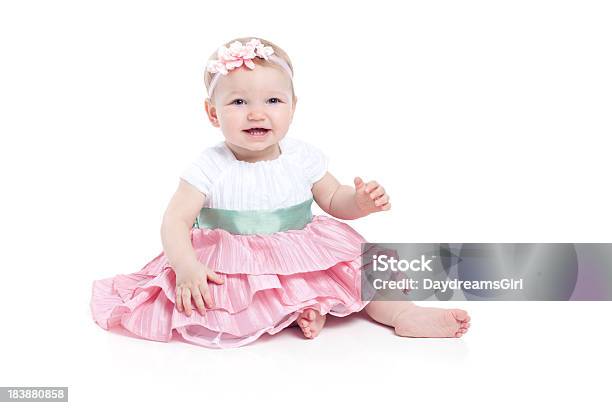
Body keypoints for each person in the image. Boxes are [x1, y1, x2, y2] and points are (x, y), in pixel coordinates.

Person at [90, 37, 470, 348]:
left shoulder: (303, 156)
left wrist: (360, 203)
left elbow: (334, 199)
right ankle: (303, 310)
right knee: (221, 301)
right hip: (236, 261)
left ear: (293, 107)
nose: (257, 113)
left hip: (306, 250)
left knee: (367, 273)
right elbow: (175, 220)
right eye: (238, 102)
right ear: (212, 113)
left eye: (273, 101)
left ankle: (404, 314)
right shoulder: (209, 166)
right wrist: (187, 266)